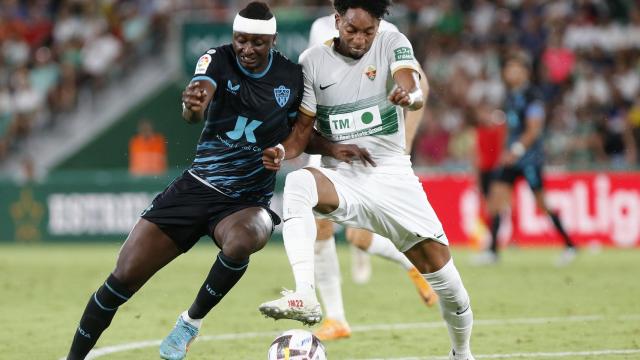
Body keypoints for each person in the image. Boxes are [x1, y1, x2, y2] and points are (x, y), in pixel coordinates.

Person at [64, 3, 368, 360]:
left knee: (242, 240)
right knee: (121, 280)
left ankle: (189, 323)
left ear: (273, 40)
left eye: (257, 43)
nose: (247, 49)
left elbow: (299, 134)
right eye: (241, 40)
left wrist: (328, 147)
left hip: (246, 201)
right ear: (233, 38)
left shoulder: (290, 77)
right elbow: (197, 101)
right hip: (196, 187)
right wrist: (191, 106)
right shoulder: (217, 59)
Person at [259, 1, 475, 359]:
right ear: (337, 21)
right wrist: (283, 150)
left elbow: (415, 86)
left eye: (368, 31)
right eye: (352, 30)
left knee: (452, 290)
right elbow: (302, 131)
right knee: (299, 184)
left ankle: (462, 353)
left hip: (392, 178)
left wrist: (411, 95)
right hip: (343, 177)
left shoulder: (392, 41)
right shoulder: (312, 61)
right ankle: (305, 292)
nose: (360, 39)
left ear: (379, 25)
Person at [305, 2, 437, 342]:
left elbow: (418, 83)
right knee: (318, 222)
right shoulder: (321, 29)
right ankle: (336, 319)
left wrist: (403, 145)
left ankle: (416, 264)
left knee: (359, 237)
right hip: (334, 140)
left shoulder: (385, 32)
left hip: (374, 145)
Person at [476, 53, 577, 266]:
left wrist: (516, 149)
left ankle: (570, 246)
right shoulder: (509, 95)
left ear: (525, 72)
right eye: (508, 68)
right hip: (511, 159)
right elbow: (510, 128)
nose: (509, 72)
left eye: (514, 68)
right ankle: (492, 251)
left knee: (541, 205)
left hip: (529, 159)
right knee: (495, 200)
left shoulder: (533, 96)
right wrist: (505, 151)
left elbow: (534, 130)